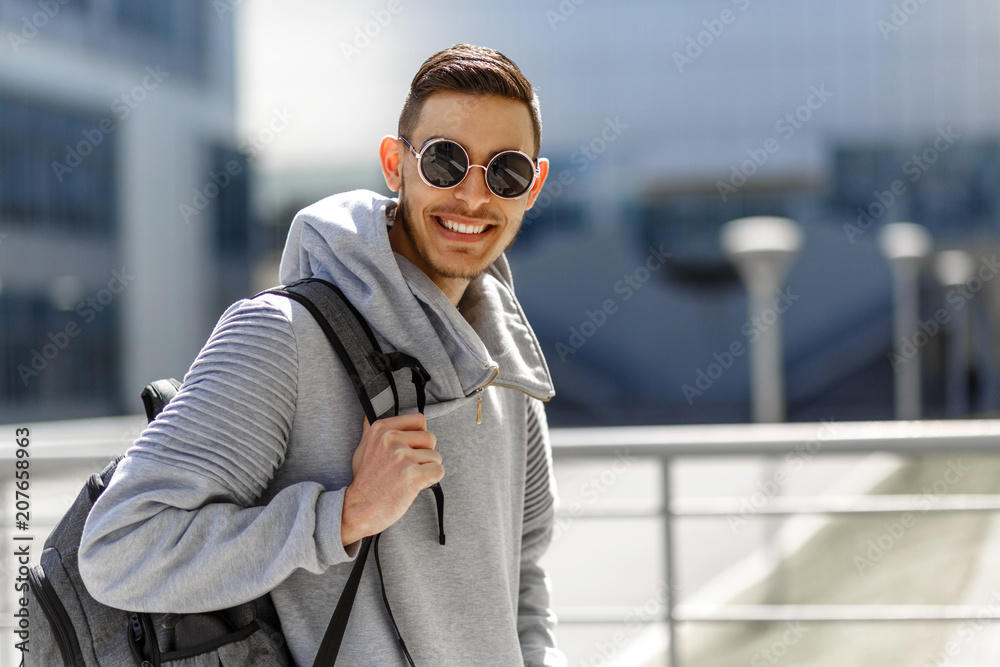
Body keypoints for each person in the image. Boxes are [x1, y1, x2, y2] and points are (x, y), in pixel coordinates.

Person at [79, 44, 565, 666]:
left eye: (505, 171)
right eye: (445, 160)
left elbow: (524, 577)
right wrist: (343, 515)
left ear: (533, 186)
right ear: (396, 164)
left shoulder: (507, 367)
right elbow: (120, 549)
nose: (473, 197)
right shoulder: (282, 339)